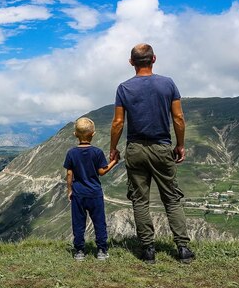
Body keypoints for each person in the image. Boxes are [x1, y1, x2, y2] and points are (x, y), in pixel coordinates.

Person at [110, 43, 195, 264]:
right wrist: (180, 144)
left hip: (135, 149)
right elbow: (178, 118)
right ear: (154, 59)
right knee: (172, 198)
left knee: (140, 200)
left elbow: (118, 122)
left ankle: (148, 249)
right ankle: (183, 248)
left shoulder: (124, 88)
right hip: (161, 147)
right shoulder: (168, 84)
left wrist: (113, 148)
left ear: (131, 62)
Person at [64, 117, 118, 261]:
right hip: (94, 193)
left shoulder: (71, 153)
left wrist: (69, 190)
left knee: (78, 223)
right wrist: (114, 162)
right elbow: (101, 171)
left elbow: (69, 173)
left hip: (78, 193)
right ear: (93, 134)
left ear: (75, 134)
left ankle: (79, 251)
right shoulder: (97, 152)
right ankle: (101, 250)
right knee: (99, 222)